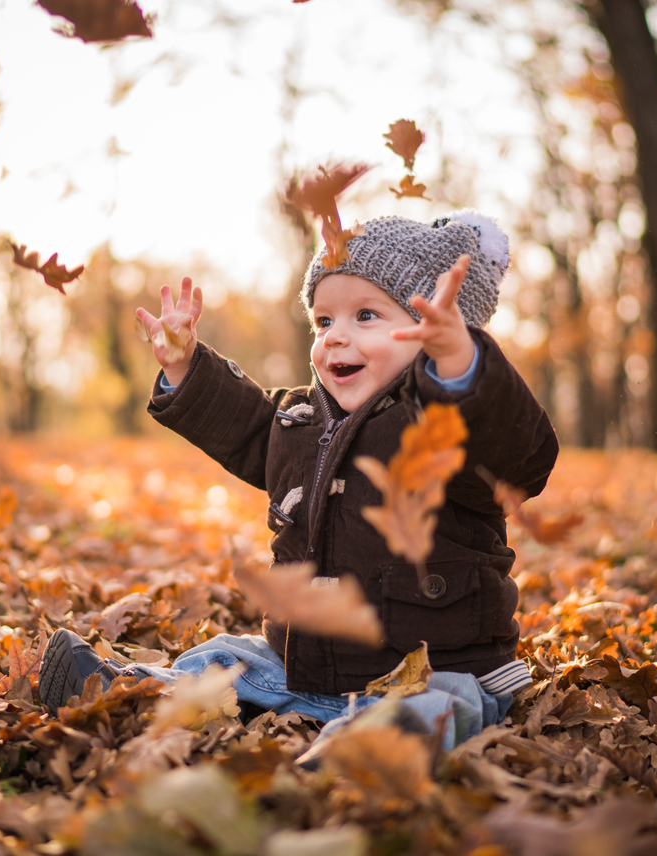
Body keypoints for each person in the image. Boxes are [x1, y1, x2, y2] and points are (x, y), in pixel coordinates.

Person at [39, 211, 558, 755]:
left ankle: (353, 762)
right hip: (307, 665)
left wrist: (462, 372)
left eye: (365, 315)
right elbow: (245, 426)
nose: (336, 338)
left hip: (436, 668)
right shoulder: (299, 420)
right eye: (324, 321)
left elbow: (519, 459)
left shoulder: (447, 427)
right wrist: (186, 367)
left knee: (435, 709)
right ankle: (132, 693)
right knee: (224, 658)